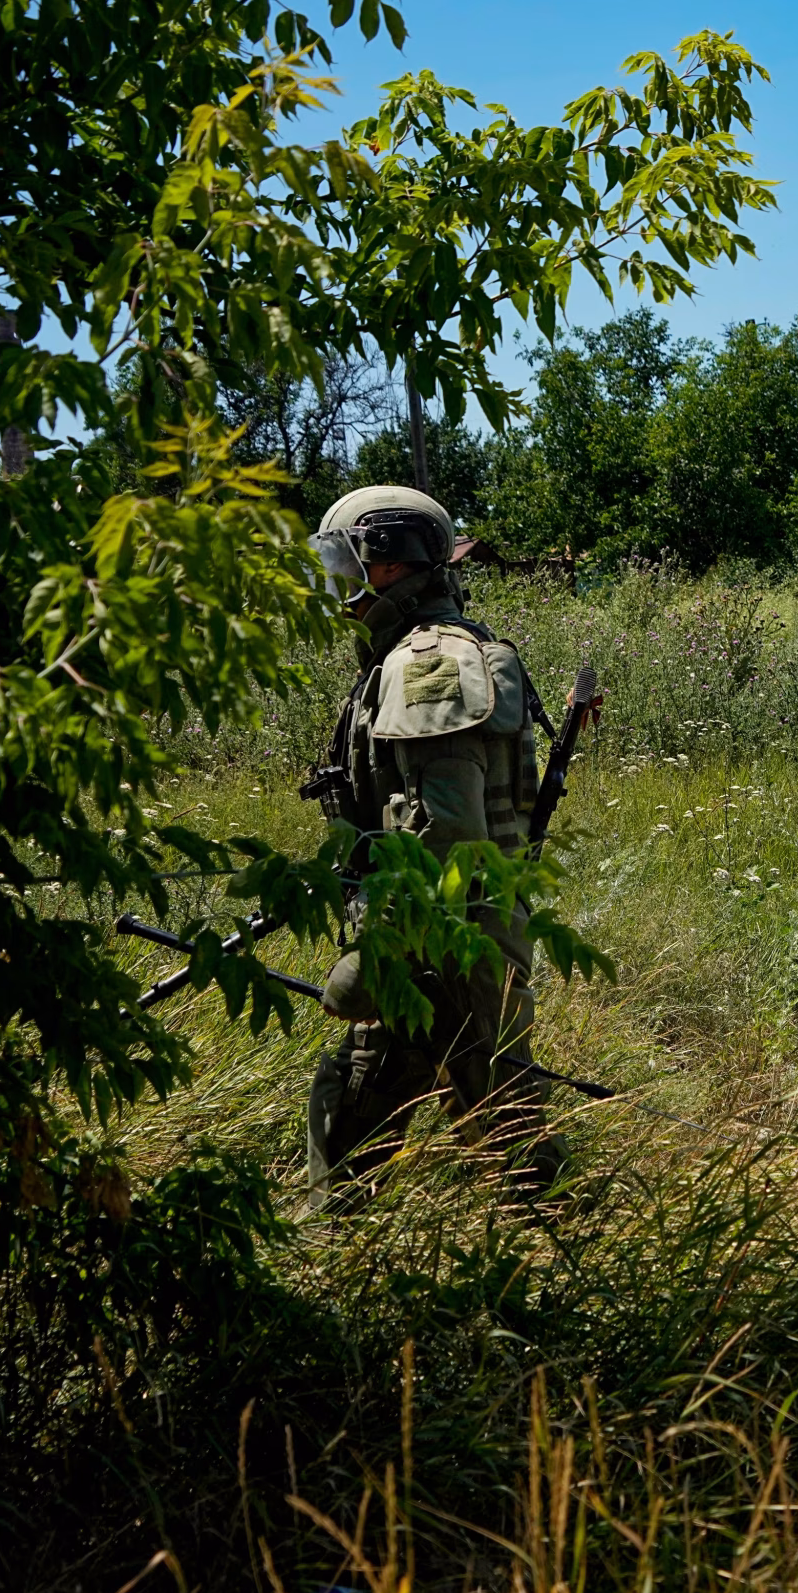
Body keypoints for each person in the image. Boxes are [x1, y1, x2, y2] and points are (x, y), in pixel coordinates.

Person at [302, 486, 566, 1209]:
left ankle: (565, 1264)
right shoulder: (408, 654)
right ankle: (337, 1258)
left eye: (341, 560)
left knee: (508, 1135)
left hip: (450, 949)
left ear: (386, 562)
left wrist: (379, 955)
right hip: (433, 945)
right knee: (352, 1105)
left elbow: (446, 842)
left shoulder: (431, 664)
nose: (332, 581)